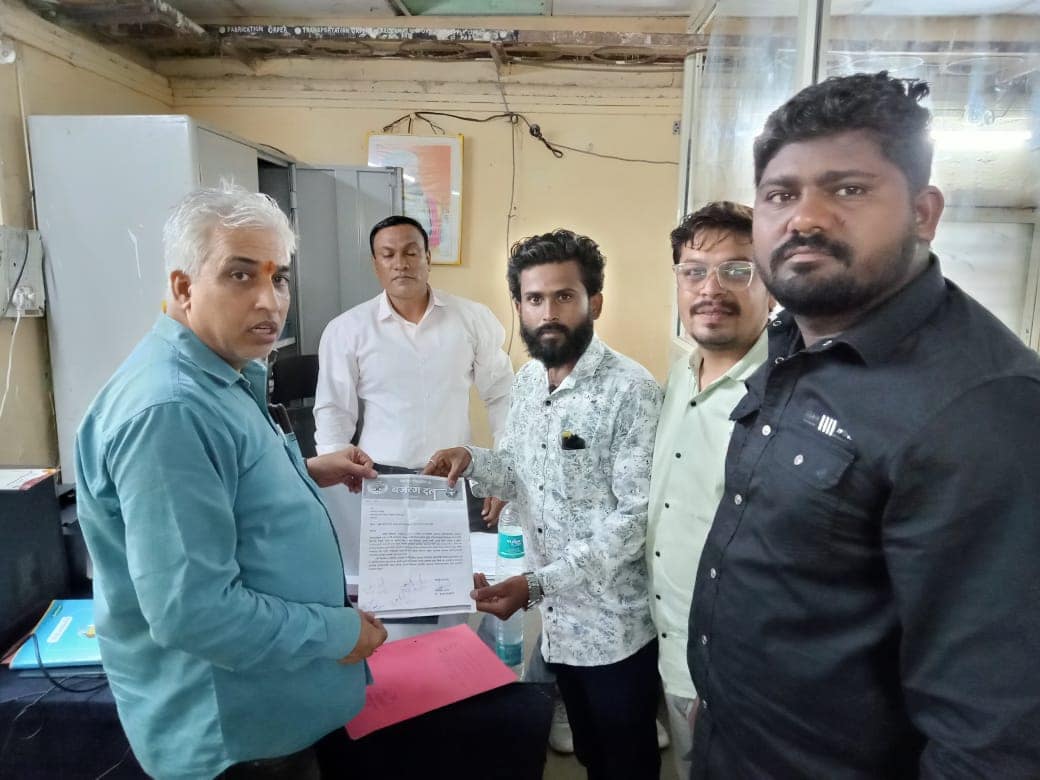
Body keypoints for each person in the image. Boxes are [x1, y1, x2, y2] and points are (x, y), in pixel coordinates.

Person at [688, 71, 1040, 778]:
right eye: (781, 195)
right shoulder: (794, 341)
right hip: (734, 744)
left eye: (848, 189)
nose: (805, 219)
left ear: (923, 213)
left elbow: (993, 733)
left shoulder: (983, 406)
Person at [75, 185, 387, 780]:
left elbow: (223, 488)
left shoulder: (219, 372)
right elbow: (195, 613)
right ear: (183, 287)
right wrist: (337, 633)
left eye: (279, 278)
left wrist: (304, 472)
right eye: (240, 275)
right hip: (235, 739)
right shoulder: (170, 411)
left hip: (270, 710)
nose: (270, 302)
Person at [424, 229, 663, 780]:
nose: (548, 313)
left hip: (614, 633)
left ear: (594, 302)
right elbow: (518, 469)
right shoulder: (530, 381)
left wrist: (536, 584)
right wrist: (470, 458)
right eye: (534, 299)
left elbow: (634, 520)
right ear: (519, 307)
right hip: (557, 626)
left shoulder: (632, 392)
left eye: (564, 296)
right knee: (590, 754)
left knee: (626, 765)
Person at [313, 216, 513, 638]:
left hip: (454, 479)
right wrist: (336, 474)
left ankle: (459, 666)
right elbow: (333, 413)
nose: (400, 263)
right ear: (375, 264)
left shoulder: (470, 318)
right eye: (388, 255)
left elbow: (502, 395)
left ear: (427, 258)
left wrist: (503, 467)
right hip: (381, 481)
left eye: (410, 252)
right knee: (395, 606)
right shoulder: (347, 330)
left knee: (460, 594)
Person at [647, 201, 772, 778]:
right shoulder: (680, 372)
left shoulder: (787, 394)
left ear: (772, 286)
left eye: (737, 270)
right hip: (672, 649)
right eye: (694, 271)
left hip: (739, 671)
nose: (710, 288)